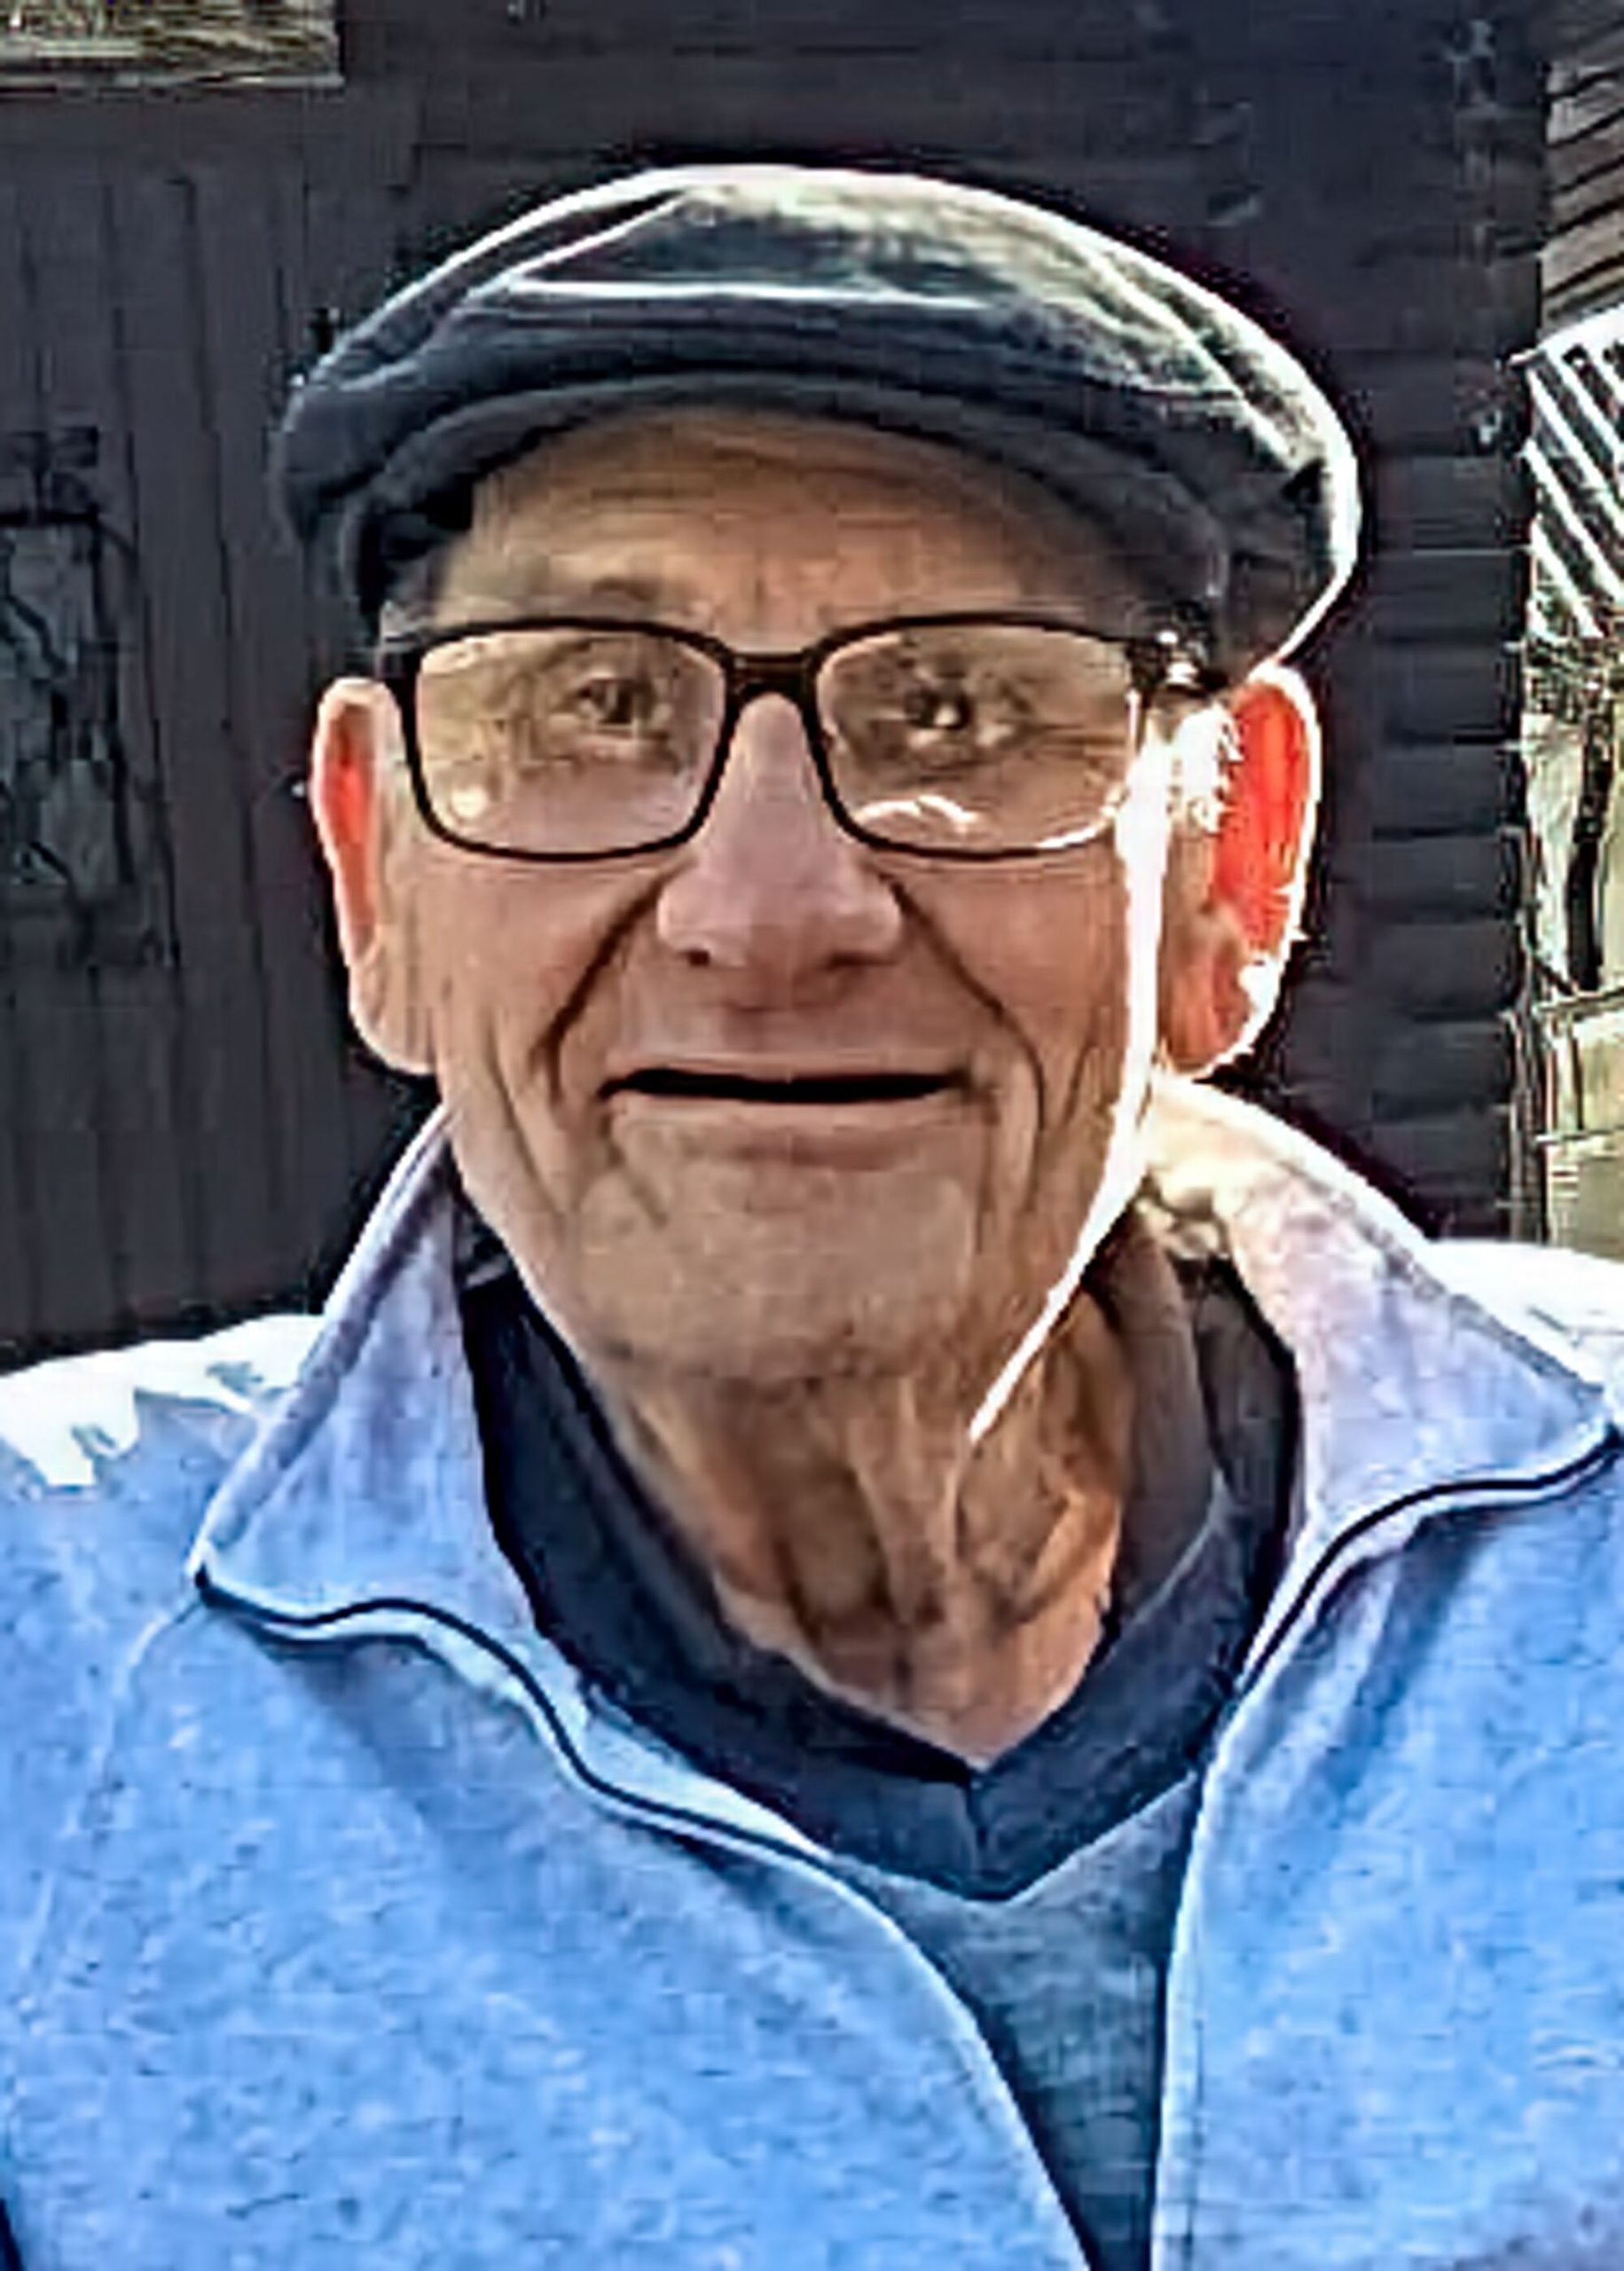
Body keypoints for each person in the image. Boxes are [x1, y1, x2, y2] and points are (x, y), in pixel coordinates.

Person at [2, 161, 1622, 2271]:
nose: (769, 914)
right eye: (595, 704)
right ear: (377, 876)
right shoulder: (45, 1661)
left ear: (1232, 873)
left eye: (955, 710)